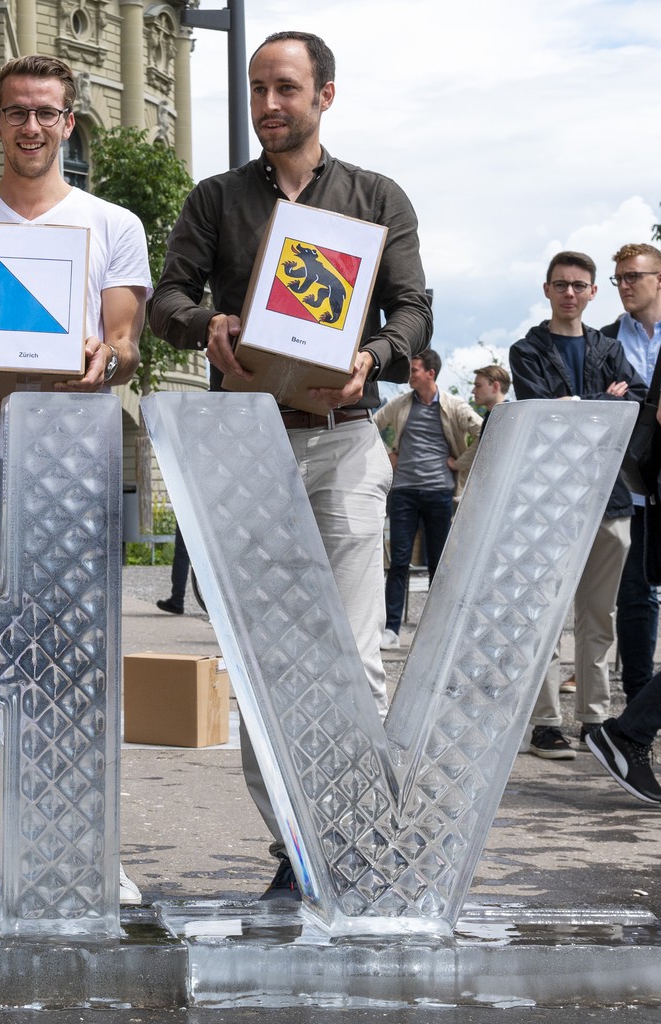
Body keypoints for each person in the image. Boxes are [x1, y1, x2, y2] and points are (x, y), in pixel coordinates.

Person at [146, 31, 432, 899]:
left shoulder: (377, 198)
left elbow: (414, 309)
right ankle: (296, 844)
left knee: (351, 655)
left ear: (325, 96)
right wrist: (210, 327)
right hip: (249, 446)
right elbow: (166, 301)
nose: (269, 105)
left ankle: (358, 835)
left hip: (345, 439)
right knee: (265, 660)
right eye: (256, 90)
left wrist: (375, 353)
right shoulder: (215, 199)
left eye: (286, 89)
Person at [0, 55, 150, 905]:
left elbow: (124, 338)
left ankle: (84, 836)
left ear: (70, 123)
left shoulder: (112, 224)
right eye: (17, 112)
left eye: (48, 113)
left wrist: (104, 356)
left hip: (70, 467)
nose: (33, 127)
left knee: (76, 658)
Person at [510, 251, 646, 760]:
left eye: (579, 285)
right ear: (547, 289)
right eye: (561, 284)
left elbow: (636, 402)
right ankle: (545, 724)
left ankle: (593, 720)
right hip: (549, 501)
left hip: (610, 499)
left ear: (593, 293)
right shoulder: (526, 349)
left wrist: (581, 405)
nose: (570, 292)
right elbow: (543, 411)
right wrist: (601, 403)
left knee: (599, 616)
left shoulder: (609, 347)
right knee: (544, 616)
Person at [373, 349, 482, 648]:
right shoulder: (400, 404)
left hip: (439, 493)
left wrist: (459, 463)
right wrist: (387, 456)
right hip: (404, 492)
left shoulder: (453, 406)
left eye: (415, 370)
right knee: (399, 562)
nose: (410, 375)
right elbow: (370, 427)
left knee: (438, 563)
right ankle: (391, 630)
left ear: (430, 374)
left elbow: (484, 429)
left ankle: (438, 631)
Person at [605, 244, 661, 703]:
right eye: (619, 278)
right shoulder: (605, 340)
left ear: (659, 279)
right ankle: (639, 698)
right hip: (628, 488)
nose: (624, 285)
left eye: (633, 276)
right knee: (635, 598)